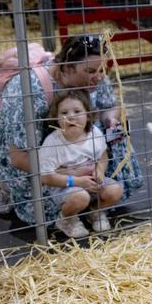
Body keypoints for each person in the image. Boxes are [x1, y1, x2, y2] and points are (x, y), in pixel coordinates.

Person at [0, 34, 143, 228]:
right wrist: (70, 174)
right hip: (32, 149)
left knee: (103, 181)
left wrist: (110, 121)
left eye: (103, 70)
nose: (100, 76)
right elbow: (18, 157)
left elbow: (109, 105)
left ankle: (90, 208)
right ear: (66, 68)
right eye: (91, 71)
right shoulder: (28, 90)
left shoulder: (94, 73)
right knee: (44, 208)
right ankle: (1, 183)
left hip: (74, 143)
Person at [39, 90, 123, 238]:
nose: (71, 116)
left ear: (88, 115)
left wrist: (100, 171)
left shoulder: (94, 133)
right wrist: (77, 181)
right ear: (56, 118)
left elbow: (103, 155)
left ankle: (95, 212)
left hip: (91, 180)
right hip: (65, 185)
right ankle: (67, 219)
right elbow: (46, 177)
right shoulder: (52, 142)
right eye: (64, 112)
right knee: (80, 197)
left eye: (77, 111)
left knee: (115, 190)